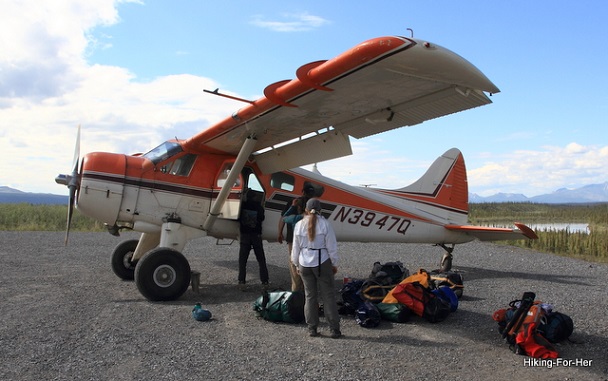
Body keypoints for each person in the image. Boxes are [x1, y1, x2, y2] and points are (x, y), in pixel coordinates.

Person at [291, 198, 341, 338]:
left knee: (310, 296)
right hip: (322, 261)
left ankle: (312, 328)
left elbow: (295, 248)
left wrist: (295, 264)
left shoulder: (299, 225)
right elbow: (332, 247)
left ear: (305, 210)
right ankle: (334, 329)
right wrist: (334, 263)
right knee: (328, 295)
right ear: (320, 210)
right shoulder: (326, 224)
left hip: (304, 263)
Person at [277, 184, 315, 292]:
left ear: (302, 191)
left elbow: (283, 218)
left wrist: (279, 233)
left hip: (293, 239)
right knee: (308, 265)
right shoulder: (313, 205)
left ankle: (296, 292)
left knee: (294, 265)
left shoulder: (294, 202)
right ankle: (307, 290)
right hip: (309, 240)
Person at [238, 189, 269, 287]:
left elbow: (238, 218)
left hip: (245, 235)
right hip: (256, 235)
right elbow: (262, 218)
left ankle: (241, 281)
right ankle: (265, 281)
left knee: (243, 261)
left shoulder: (242, 206)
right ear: (255, 197)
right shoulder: (258, 207)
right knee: (261, 260)